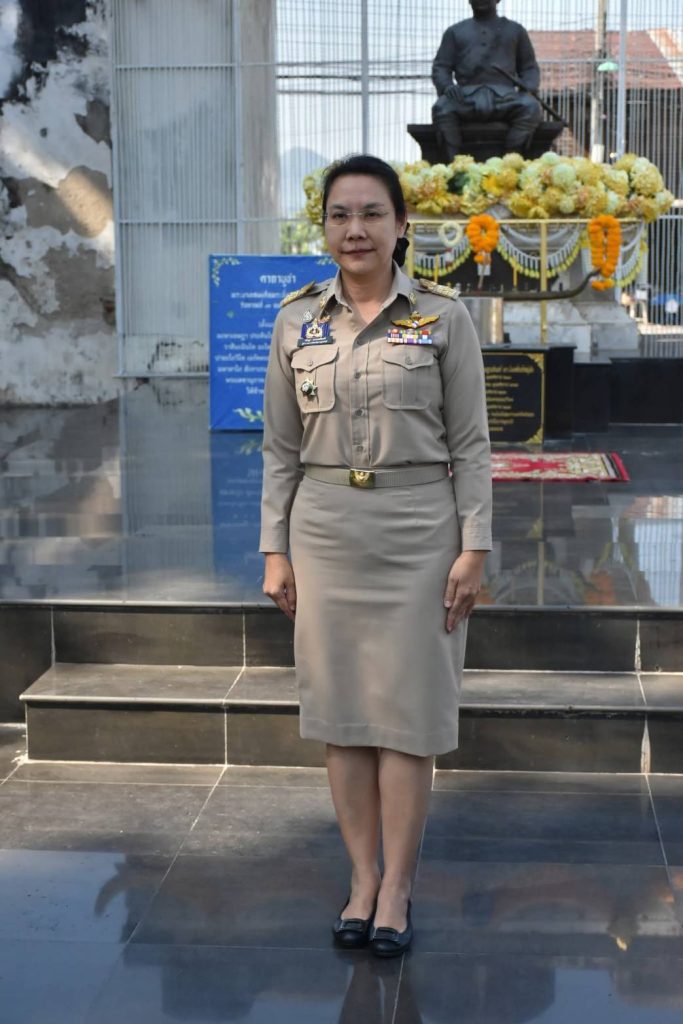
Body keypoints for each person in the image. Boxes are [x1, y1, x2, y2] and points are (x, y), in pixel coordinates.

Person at [260, 154, 492, 957]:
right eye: (339, 215)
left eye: (370, 214)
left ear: (401, 225)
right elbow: (279, 449)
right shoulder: (295, 321)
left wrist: (473, 546)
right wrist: (274, 549)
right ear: (323, 226)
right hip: (325, 532)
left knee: (406, 722)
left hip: (420, 533)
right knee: (343, 718)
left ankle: (397, 887)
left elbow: (471, 444)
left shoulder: (442, 319)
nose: (353, 229)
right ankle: (361, 879)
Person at [432, 0, 542, 159]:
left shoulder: (515, 30)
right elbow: (441, 67)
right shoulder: (455, 32)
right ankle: (453, 164)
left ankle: (512, 160)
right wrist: (447, 86)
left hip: (505, 97)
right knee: (442, 108)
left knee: (530, 107)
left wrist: (528, 86)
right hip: (465, 97)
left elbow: (529, 67)